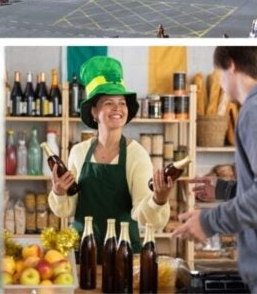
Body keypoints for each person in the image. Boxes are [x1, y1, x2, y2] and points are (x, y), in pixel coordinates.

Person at [173, 47, 257, 293]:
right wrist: (226, 188)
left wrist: (210, 221)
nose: (219, 81)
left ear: (230, 65)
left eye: (219, 73)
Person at [48, 56, 174, 260]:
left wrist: (159, 200)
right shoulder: (78, 152)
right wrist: (59, 192)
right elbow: (67, 210)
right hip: (82, 251)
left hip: (122, 253)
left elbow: (144, 216)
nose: (118, 109)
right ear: (94, 111)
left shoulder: (137, 154)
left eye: (122, 103)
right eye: (109, 103)